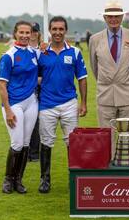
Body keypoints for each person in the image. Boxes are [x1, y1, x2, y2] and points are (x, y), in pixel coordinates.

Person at [37, 16, 87, 193]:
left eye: (61, 29)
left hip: (69, 103)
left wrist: (83, 103)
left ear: (66, 30)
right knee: (46, 142)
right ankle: (45, 179)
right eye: (54, 29)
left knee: (72, 142)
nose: (57, 32)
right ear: (49, 31)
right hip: (46, 104)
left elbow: (82, 78)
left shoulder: (74, 52)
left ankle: (74, 178)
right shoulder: (41, 53)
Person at [89, 1, 129, 157]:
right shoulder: (95, 39)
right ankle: (107, 167)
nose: (114, 20)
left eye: (117, 16)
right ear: (105, 17)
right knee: (106, 135)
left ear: (122, 17)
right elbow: (94, 67)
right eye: (110, 17)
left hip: (128, 93)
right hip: (105, 95)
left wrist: (125, 80)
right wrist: (107, 81)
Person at [0, 21, 39, 194]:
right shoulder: (9, 56)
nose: (24, 35)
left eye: (27, 32)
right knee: (16, 142)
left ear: (32, 34)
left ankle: (18, 181)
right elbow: (1, 86)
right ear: (15, 33)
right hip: (14, 103)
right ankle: (8, 180)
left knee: (26, 143)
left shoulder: (34, 53)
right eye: (21, 32)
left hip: (31, 102)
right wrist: (7, 110)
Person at [28, 22, 43, 162]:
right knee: (25, 121)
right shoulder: (22, 50)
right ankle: (26, 152)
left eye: (35, 31)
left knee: (36, 122)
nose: (32, 34)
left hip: (39, 90)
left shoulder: (43, 50)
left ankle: (34, 153)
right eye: (30, 31)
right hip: (25, 91)